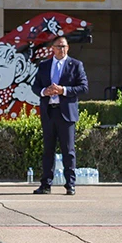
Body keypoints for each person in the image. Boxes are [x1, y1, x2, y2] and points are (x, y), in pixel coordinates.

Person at [31, 36, 88, 195]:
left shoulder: (75, 65)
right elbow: (35, 86)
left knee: (68, 150)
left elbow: (83, 87)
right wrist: (44, 92)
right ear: (52, 49)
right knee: (48, 150)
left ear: (67, 48)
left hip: (66, 113)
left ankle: (70, 184)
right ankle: (45, 185)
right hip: (49, 111)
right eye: (59, 46)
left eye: (64, 46)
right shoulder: (44, 66)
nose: (62, 49)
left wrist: (64, 90)